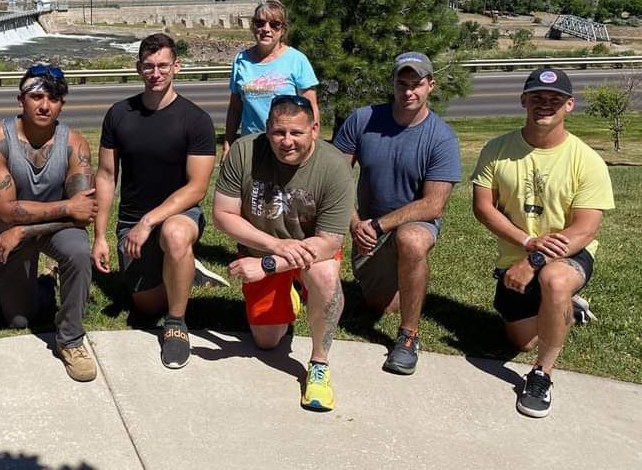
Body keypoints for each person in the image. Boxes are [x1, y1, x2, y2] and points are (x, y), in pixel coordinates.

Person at [472, 67, 613, 418]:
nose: (545, 104)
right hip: (515, 257)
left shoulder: (587, 161)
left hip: (568, 257)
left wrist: (533, 260)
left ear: (570, 106)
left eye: (555, 99)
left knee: (555, 281)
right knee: (522, 340)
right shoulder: (497, 150)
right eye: (537, 97)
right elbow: (482, 207)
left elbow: (585, 229)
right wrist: (526, 242)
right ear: (523, 101)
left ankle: (541, 375)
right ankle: (566, 309)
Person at [213, 94, 354, 412]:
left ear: (314, 129)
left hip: (307, 254)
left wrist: (268, 263)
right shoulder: (244, 151)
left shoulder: (334, 168)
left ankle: (319, 363)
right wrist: (275, 247)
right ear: (267, 128)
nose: (287, 141)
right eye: (278, 132)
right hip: (265, 246)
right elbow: (223, 215)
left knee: (325, 274)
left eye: (296, 133)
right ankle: (291, 292)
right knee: (266, 341)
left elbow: (329, 243)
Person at [332, 52, 461, 375]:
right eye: (401, 84)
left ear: (431, 85)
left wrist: (376, 224)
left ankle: (408, 336)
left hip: (411, 224)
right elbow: (335, 177)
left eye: (416, 84)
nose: (408, 92)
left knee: (412, 241)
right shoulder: (363, 120)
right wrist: (354, 223)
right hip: (368, 228)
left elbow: (434, 205)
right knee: (381, 305)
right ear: (392, 84)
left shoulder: (441, 137)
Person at [94, 33, 217, 370]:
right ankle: (183, 271)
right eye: (148, 66)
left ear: (176, 67)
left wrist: (149, 221)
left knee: (174, 235)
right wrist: (101, 235)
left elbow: (197, 188)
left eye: (163, 65)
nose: (156, 73)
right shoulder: (120, 114)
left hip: (179, 214)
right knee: (146, 308)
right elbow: (106, 176)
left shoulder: (196, 120)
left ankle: (176, 325)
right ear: (138, 68)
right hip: (130, 223)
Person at [0, 64, 98, 381]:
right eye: (37, 96)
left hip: (50, 231)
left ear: (62, 103)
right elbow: (5, 212)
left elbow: (83, 214)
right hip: (9, 232)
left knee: (77, 251)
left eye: (54, 98)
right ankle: (47, 282)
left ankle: (71, 339)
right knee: (19, 319)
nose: (45, 105)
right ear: (21, 100)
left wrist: (23, 230)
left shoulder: (75, 144)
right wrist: (66, 207)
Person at [223, 0, 318, 158]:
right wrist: (228, 143)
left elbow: (312, 107)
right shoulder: (241, 60)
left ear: (283, 30)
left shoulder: (297, 60)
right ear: (254, 26)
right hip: (252, 146)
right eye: (260, 23)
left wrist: (312, 142)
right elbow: (235, 107)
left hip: (287, 145)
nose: (266, 29)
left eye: (275, 24)